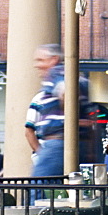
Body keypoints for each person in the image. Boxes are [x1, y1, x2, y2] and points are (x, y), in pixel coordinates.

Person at [25, 45, 69, 180]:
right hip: (62, 143)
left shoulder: (56, 74)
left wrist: (43, 153)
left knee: (38, 187)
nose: (36, 65)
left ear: (54, 59)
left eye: (40, 60)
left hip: (56, 141)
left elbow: (64, 91)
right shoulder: (73, 76)